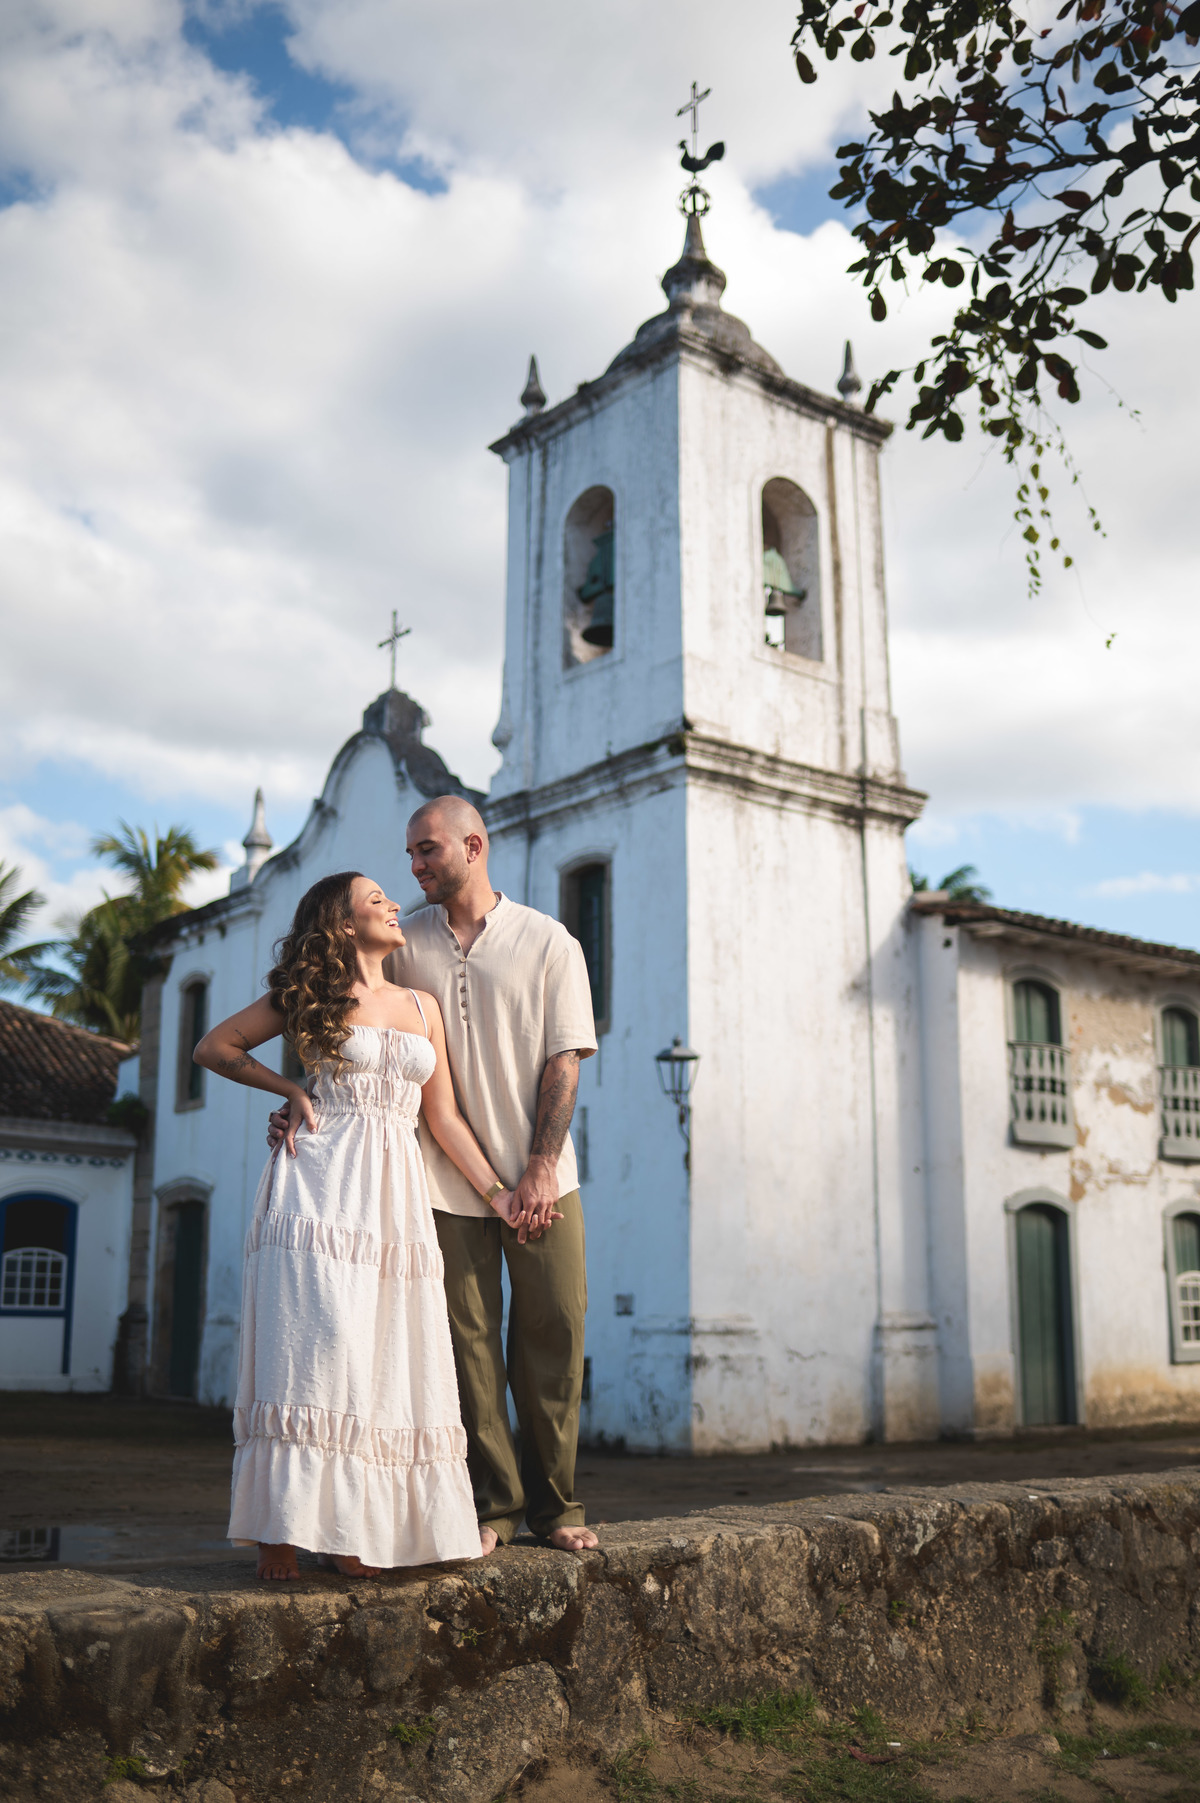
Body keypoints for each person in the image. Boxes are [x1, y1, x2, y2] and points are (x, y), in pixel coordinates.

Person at [269, 796, 600, 1556]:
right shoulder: (402, 941)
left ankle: (558, 1508)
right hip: (440, 1183)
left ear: (472, 846)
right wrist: (301, 1095)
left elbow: (564, 1058)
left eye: (426, 851)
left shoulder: (550, 942)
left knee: (554, 1329)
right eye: (410, 854)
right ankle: (496, 1506)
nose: (413, 867)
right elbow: (341, 1022)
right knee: (467, 1347)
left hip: (544, 1177)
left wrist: (541, 1166)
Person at [195, 870, 522, 1581]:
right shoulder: (309, 995)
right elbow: (215, 1048)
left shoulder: (422, 1005)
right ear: (343, 924)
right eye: (377, 899)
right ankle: (279, 1526)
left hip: (394, 1196)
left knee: (381, 1353)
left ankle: (351, 1528)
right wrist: (288, 1089)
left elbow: (443, 1118)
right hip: (320, 1182)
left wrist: (499, 1193)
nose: (395, 904)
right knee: (317, 1343)